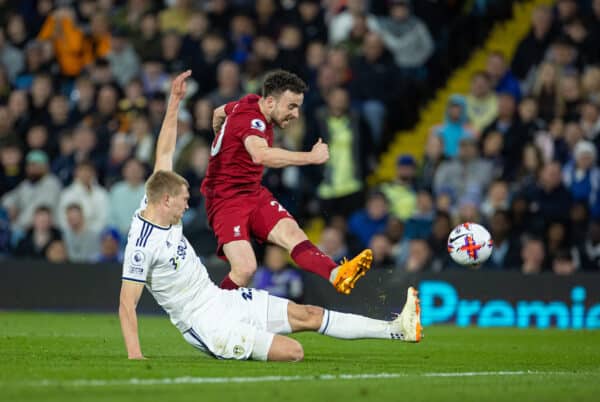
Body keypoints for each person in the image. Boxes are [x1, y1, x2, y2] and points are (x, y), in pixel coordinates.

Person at [118, 70, 422, 362]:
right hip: (205, 318)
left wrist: (175, 101)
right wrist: (135, 355)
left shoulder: (158, 192)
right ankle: (234, 334)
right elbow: (126, 304)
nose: (187, 207)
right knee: (293, 350)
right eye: (184, 202)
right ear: (167, 200)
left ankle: (395, 328)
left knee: (309, 313)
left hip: (220, 295)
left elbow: (167, 148)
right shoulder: (142, 244)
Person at [204, 69, 373, 294]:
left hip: (253, 192)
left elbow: (218, 113)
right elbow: (261, 155)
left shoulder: (249, 102)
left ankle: (337, 275)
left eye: (298, 107)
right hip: (226, 200)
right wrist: (310, 157)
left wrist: (221, 138)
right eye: (291, 106)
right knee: (245, 269)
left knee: (293, 234)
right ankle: (208, 314)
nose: (296, 114)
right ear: (271, 102)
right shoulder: (252, 120)